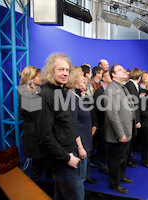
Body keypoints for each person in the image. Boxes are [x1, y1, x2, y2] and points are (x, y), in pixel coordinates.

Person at [37, 53, 86, 200]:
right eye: (60, 69)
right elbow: (44, 136)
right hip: (62, 158)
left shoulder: (60, 91)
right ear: (51, 71)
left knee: (60, 195)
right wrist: (66, 157)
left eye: (67, 70)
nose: (64, 73)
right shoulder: (45, 95)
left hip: (68, 152)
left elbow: (66, 124)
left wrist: (76, 146)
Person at [66, 67, 97, 199]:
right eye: (83, 80)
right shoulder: (72, 98)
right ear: (75, 81)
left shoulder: (78, 97)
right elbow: (73, 125)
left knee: (80, 178)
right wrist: (80, 147)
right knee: (79, 179)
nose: (86, 81)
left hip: (83, 143)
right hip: (79, 146)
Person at [104, 64, 135, 194]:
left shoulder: (123, 87)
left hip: (127, 129)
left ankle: (120, 177)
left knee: (123, 157)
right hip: (119, 132)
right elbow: (112, 114)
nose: (124, 71)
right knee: (116, 159)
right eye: (121, 70)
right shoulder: (111, 90)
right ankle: (114, 183)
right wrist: (120, 133)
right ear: (114, 75)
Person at [18, 65, 45, 184]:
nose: (41, 78)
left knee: (38, 166)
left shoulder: (30, 93)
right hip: (34, 136)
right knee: (36, 169)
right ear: (31, 78)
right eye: (38, 76)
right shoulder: (27, 95)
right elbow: (39, 116)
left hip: (35, 134)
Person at [91, 70, 112, 175]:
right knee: (103, 145)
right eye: (109, 75)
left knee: (109, 146)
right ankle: (103, 166)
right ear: (103, 78)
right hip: (103, 123)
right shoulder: (99, 91)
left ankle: (107, 163)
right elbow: (96, 109)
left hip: (110, 123)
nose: (112, 77)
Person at [125, 68, 143, 168]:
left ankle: (128, 157)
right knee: (129, 140)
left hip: (131, 117)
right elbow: (133, 105)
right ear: (139, 77)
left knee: (131, 141)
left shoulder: (131, 85)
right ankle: (127, 160)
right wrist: (137, 120)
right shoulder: (131, 86)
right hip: (131, 118)